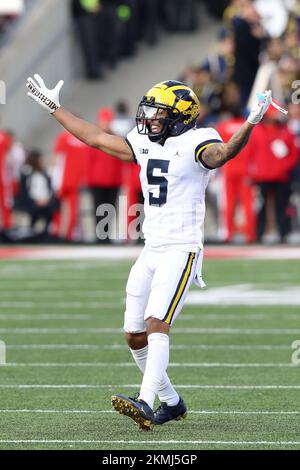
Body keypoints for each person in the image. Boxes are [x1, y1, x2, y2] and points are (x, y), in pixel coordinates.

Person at [26, 74, 272, 430]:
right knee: (133, 333)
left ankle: (145, 401)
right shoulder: (144, 141)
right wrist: (53, 107)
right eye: (150, 113)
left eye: (158, 114)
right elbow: (94, 137)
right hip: (152, 247)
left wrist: (250, 122)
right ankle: (171, 402)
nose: (150, 119)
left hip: (182, 248)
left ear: (181, 116)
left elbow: (222, 154)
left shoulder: (198, 141)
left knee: (157, 323)